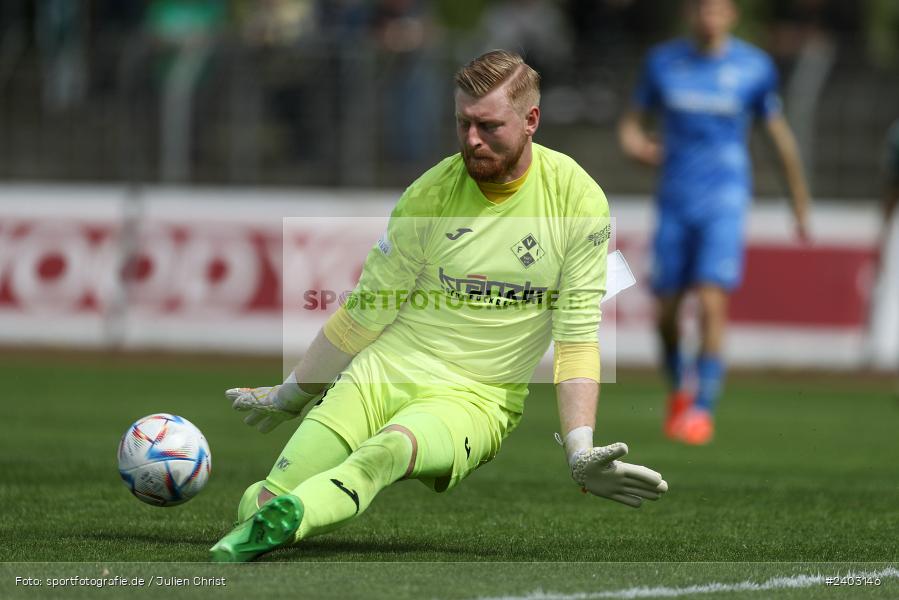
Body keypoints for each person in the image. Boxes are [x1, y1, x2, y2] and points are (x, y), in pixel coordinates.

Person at [210, 50, 668, 562]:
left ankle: (293, 519)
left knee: (384, 453)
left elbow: (578, 335)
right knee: (260, 502)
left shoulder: (576, 201)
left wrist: (580, 448)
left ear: (531, 120)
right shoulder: (428, 195)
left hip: (475, 399)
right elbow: (365, 313)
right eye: (463, 122)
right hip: (380, 374)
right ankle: (273, 513)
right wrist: (292, 394)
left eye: (489, 125)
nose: (472, 139)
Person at [618, 0, 811, 445]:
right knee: (665, 315)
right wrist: (638, 146)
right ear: (689, 14)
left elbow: (778, 136)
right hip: (673, 202)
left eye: (717, 9)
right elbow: (631, 125)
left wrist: (798, 200)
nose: (709, 17)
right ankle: (679, 389)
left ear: (732, 15)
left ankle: (703, 407)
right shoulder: (662, 63)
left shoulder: (753, 67)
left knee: (710, 299)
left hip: (724, 200)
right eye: (701, 9)